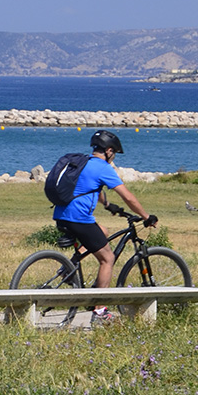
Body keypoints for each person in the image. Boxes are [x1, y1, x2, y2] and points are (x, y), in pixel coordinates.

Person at [51, 129, 156, 324]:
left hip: (61, 215)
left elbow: (92, 188)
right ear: (108, 150)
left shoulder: (84, 163)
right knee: (107, 258)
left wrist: (108, 206)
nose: (113, 157)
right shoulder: (103, 168)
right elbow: (128, 196)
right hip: (79, 218)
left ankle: (68, 270)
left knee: (103, 231)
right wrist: (146, 216)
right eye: (114, 153)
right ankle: (100, 313)